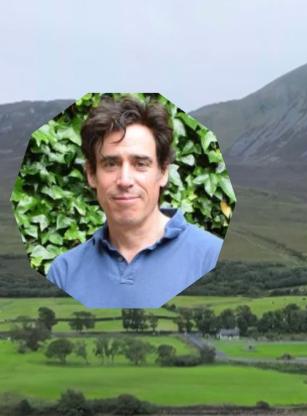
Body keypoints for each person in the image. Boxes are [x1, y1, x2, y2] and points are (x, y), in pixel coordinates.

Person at [46, 96, 223, 308]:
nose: (125, 181)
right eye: (111, 164)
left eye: (140, 164)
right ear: (91, 174)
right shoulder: (64, 272)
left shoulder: (212, 257)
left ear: (163, 172)